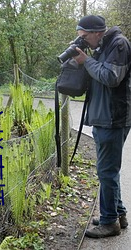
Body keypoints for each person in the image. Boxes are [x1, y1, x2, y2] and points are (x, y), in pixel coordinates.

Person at [73, 15, 131, 238]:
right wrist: (83, 60)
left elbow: (110, 77)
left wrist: (86, 61)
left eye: (85, 37)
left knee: (106, 171)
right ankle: (118, 214)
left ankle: (109, 223)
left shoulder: (119, 44)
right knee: (108, 171)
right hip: (103, 117)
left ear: (97, 32)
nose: (84, 41)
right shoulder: (102, 46)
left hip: (113, 118)